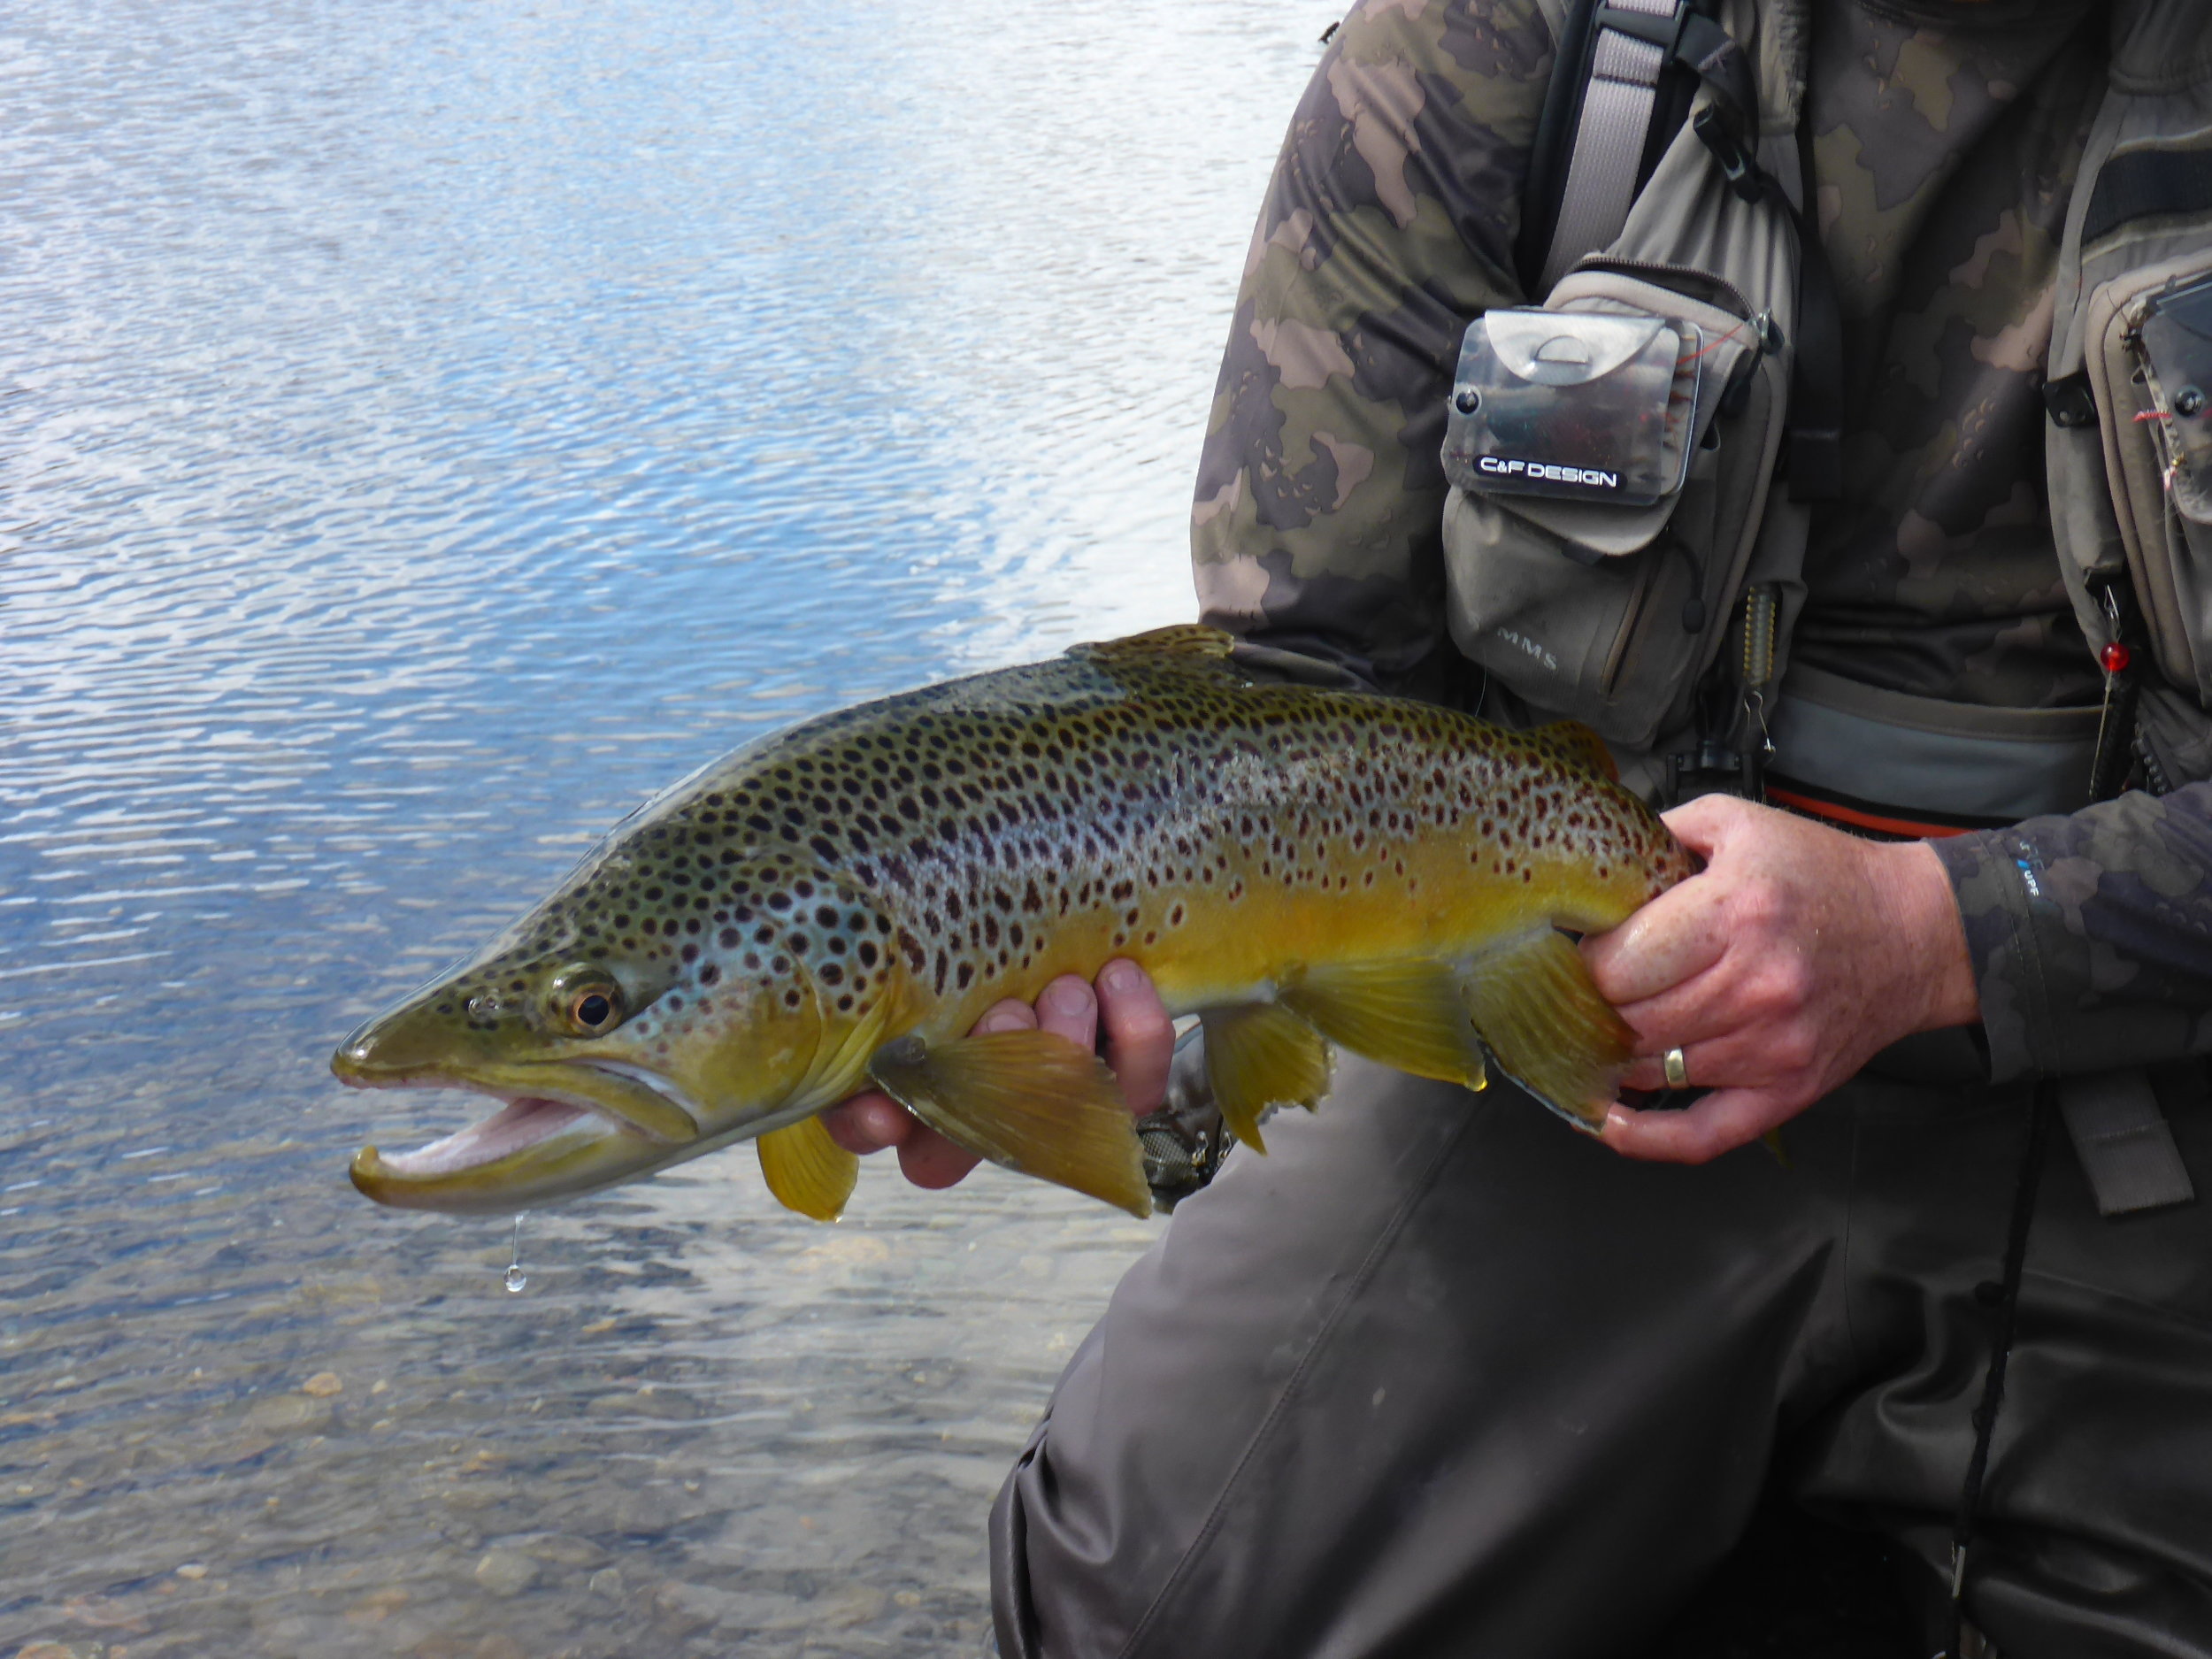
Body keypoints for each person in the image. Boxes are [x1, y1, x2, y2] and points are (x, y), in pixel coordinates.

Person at [826, 1, 2212, 1653]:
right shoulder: (1506, 44)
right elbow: (1296, 694)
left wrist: (1941, 936)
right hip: (1581, 1019)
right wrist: (1074, 978)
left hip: (2149, 1041)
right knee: (1149, 1606)